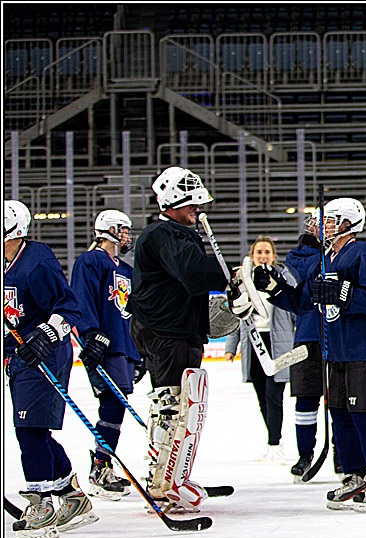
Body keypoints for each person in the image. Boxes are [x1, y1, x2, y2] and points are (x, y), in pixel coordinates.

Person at [254, 197, 366, 512]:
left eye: (330, 220)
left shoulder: (365, 252)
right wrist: (274, 290)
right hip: (338, 351)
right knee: (341, 415)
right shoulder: (324, 260)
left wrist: (341, 294)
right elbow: (303, 303)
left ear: (348, 223)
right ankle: (356, 475)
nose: (322, 225)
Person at [128, 166, 252, 511]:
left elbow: (189, 281)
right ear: (174, 204)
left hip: (174, 329)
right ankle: (163, 481)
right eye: (192, 205)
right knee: (174, 404)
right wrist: (231, 277)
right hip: (166, 333)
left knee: (168, 402)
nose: (198, 210)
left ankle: (164, 474)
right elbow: (194, 273)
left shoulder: (176, 234)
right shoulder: (162, 234)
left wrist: (224, 297)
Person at [4, 199, 96, 538]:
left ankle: (41, 503)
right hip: (19, 357)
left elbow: (69, 307)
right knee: (35, 430)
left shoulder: (36, 261)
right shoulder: (6, 264)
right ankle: (71, 496)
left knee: (28, 429)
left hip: (44, 356)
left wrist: (46, 334)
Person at [69, 209, 142, 500]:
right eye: (123, 230)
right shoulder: (89, 261)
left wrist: (138, 352)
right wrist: (90, 335)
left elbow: (131, 313)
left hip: (123, 347)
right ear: (109, 230)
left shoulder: (125, 268)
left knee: (117, 405)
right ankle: (100, 468)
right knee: (111, 405)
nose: (127, 236)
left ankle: (103, 464)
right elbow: (81, 299)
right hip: (104, 345)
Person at [225, 236, 296, 463]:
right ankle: (273, 440)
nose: (263, 256)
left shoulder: (284, 277)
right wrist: (230, 347)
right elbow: (236, 314)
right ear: (252, 256)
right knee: (262, 398)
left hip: (278, 345)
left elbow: (297, 307)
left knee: (274, 395)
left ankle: (275, 443)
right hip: (253, 344)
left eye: (267, 252)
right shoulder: (243, 280)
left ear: (273, 256)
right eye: (259, 252)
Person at [281, 211, 337, 480]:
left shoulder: (342, 252)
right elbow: (301, 277)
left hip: (336, 335)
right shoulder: (299, 255)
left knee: (341, 399)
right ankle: (305, 454)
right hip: (306, 336)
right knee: (305, 398)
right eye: (318, 223)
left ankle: (343, 453)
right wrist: (322, 254)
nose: (321, 227)